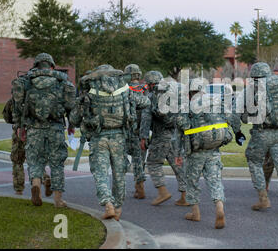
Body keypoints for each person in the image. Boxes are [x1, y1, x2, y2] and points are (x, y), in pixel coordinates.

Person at [70, 64, 149, 220]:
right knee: (119, 174)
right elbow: (146, 102)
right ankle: (118, 208)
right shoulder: (124, 90)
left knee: (100, 173)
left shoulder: (90, 93)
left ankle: (108, 204)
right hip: (120, 137)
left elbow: (74, 119)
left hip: (98, 137)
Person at [234, 62, 278, 215]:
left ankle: (263, 199)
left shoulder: (252, 89)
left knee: (254, 161)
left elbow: (239, 114)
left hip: (262, 133)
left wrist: (238, 130)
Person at [12, 53, 76, 207]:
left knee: (34, 161)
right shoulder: (62, 81)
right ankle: (58, 200)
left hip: (34, 128)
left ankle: (35, 185)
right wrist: (72, 125)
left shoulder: (27, 81)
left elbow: (18, 107)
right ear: (52, 66)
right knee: (57, 163)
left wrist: (21, 127)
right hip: (55, 128)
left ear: (36, 65)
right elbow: (70, 107)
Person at [175, 78, 240, 229]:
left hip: (195, 151)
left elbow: (180, 130)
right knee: (215, 180)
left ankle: (195, 213)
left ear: (190, 92)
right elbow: (232, 118)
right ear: (203, 90)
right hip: (214, 149)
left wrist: (178, 153)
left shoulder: (186, 105)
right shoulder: (215, 102)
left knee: (192, 181)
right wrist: (237, 133)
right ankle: (219, 208)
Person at [139, 71, 189, 206]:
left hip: (161, 135)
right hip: (176, 134)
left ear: (149, 84)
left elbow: (146, 118)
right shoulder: (173, 93)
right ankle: (185, 196)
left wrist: (143, 137)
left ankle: (162, 192)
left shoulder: (151, 96)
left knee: (153, 163)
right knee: (178, 164)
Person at [3, 98, 52, 196]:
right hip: (35, 133)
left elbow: (7, 118)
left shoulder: (13, 101)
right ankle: (45, 178)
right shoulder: (36, 98)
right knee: (35, 160)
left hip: (19, 134)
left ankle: (19, 189)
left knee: (17, 161)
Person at [124, 64, 147, 199]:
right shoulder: (145, 90)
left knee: (122, 157)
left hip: (128, 130)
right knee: (139, 160)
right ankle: (140, 187)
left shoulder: (125, 90)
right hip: (141, 131)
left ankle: (120, 186)